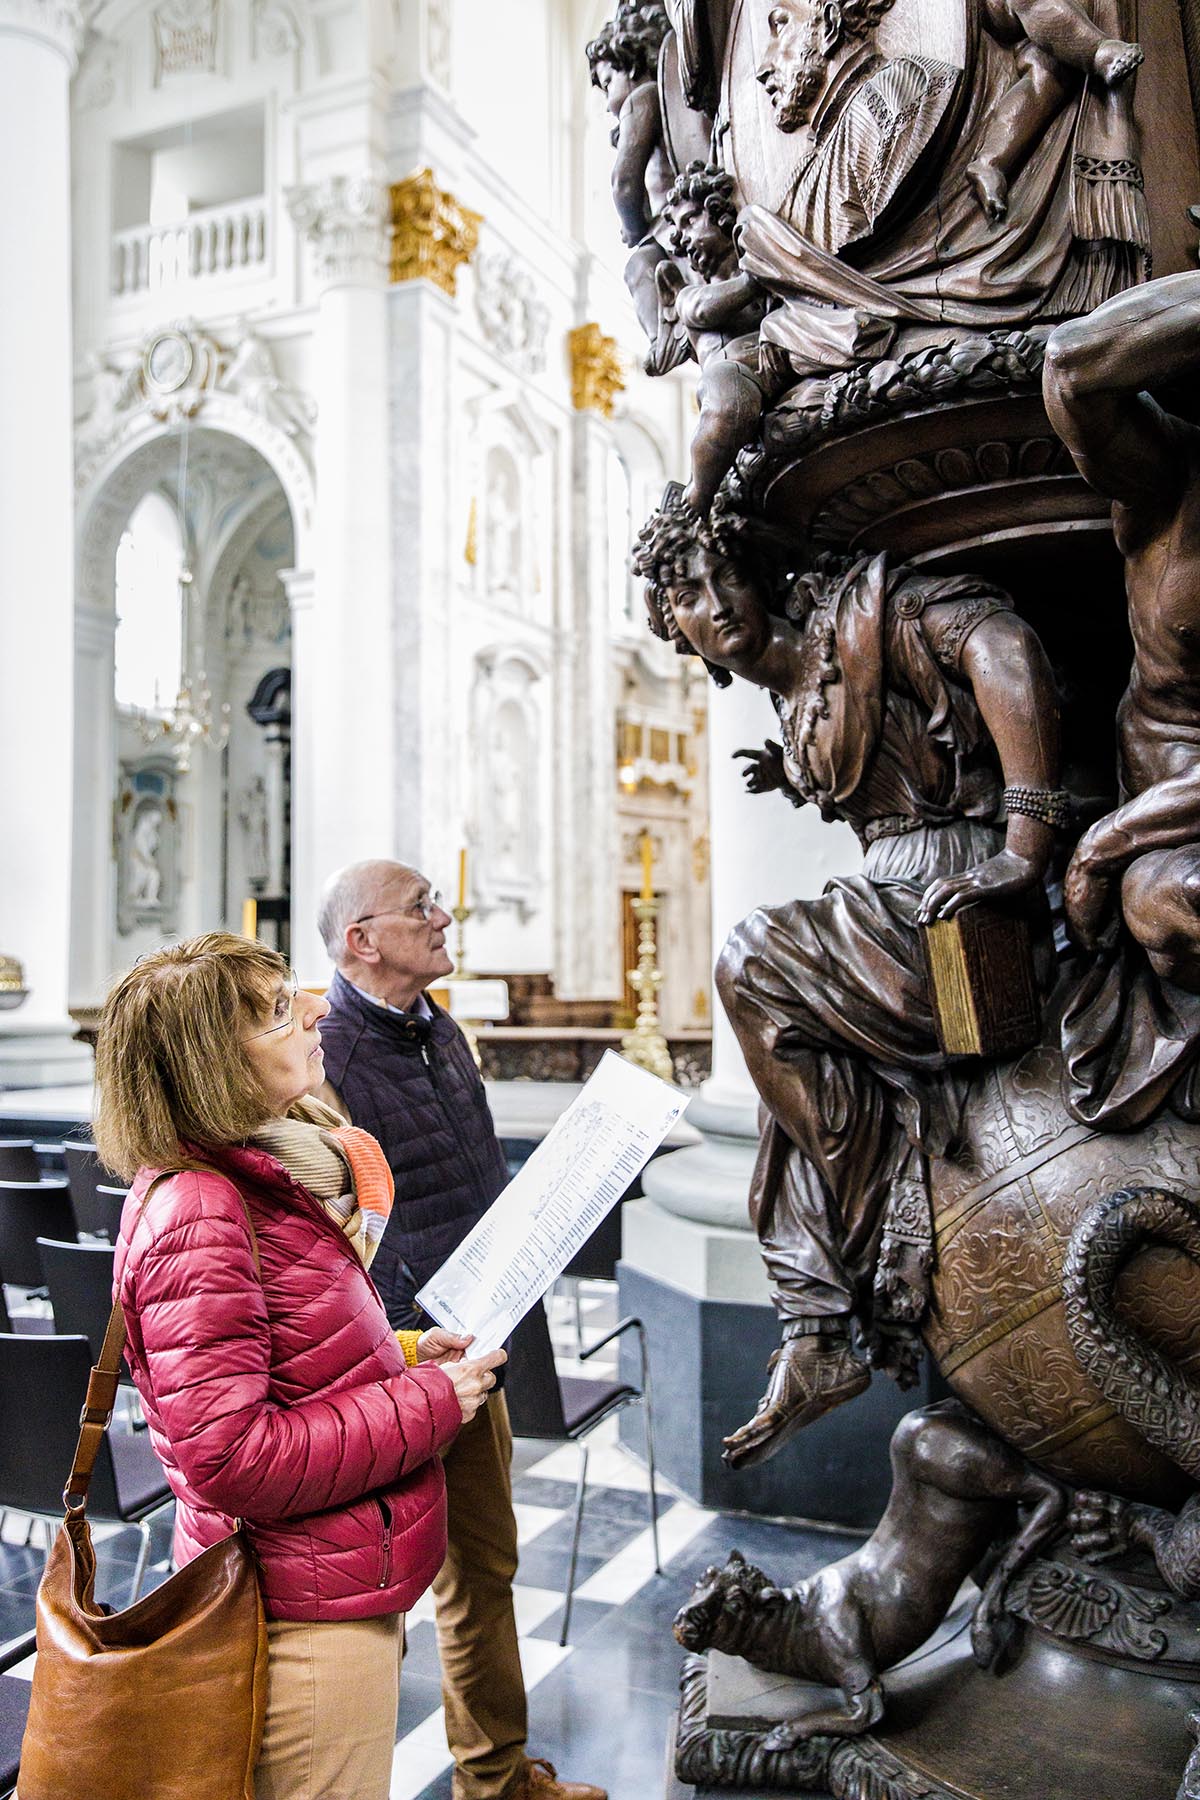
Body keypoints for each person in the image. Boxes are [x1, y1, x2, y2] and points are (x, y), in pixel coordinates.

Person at [631, 488, 1063, 1467]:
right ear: (680, 636)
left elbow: (1001, 649)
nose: (714, 600)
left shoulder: (867, 615)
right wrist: (795, 773)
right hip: (898, 900)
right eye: (686, 598)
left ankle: (849, 1254)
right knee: (786, 1086)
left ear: (756, 573)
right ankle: (820, 1326)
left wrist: (1026, 845)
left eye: (719, 574)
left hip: (965, 902)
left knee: (752, 963)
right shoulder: (798, 695)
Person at [93, 932, 506, 1800]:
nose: (318, 1006)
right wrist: (432, 1401)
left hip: (333, 1568)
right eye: (282, 1010)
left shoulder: (254, 1178)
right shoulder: (202, 1208)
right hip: (301, 1607)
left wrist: (402, 1353)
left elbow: (281, 1361)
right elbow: (232, 1456)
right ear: (214, 1064)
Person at [315, 860, 606, 1800]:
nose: (445, 917)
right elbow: (337, 1231)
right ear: (363, 938)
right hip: (390, 1366)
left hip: (471, 1345)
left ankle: (494, 1778)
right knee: (375, 1593)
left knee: (482, 1567)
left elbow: (463, 1176)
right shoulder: (331, 1061)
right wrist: (401, 1335)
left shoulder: (439, 1030)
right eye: (420, 908)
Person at [1044, 270, 1200, 1128]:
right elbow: (1070, 364)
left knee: (1167, 901)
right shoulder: (1171, 475)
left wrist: (1107, 842)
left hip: (1152, 836)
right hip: (1148, 801)